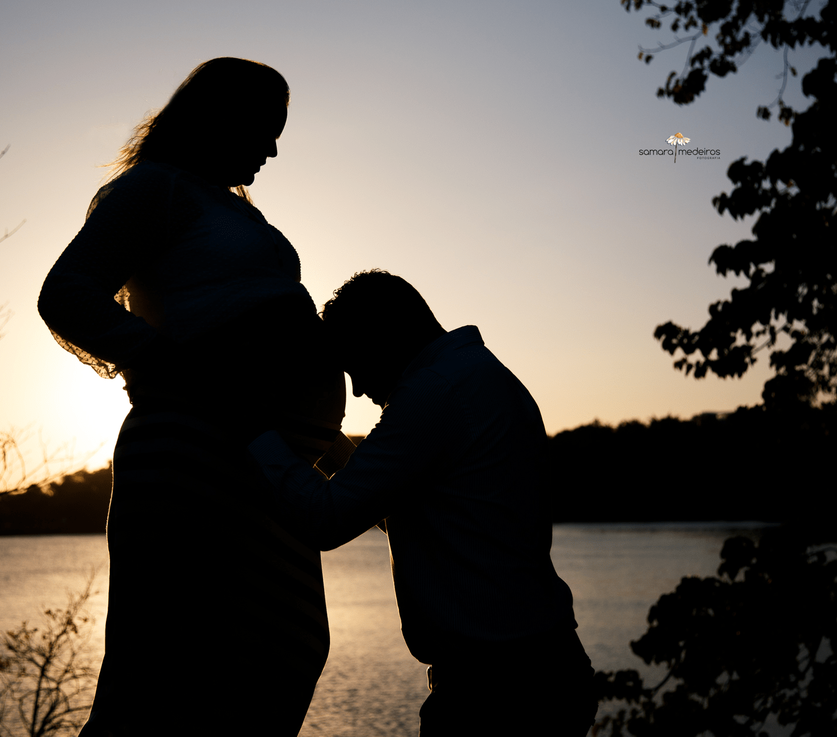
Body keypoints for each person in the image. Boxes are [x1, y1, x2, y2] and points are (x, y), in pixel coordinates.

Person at [38, 58, 348, 736]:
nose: (272, 148)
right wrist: (166, 362)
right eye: (264, 129)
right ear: (217, 118)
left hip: (267, 463)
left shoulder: (228, 206)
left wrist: (329, 444)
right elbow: (66, 293)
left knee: (282, 652)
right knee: (170, 672)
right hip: (196, 457)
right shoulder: (157, 189)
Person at [249, 270, 599, 736]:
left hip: (499, 693)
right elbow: (414, 509)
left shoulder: (434, 394)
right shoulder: (474, 377)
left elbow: (326, 518)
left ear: (384, 337)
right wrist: (327, 443)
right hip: (534, 672)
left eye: (355, 364)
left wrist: (252, 429)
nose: (356, 390)